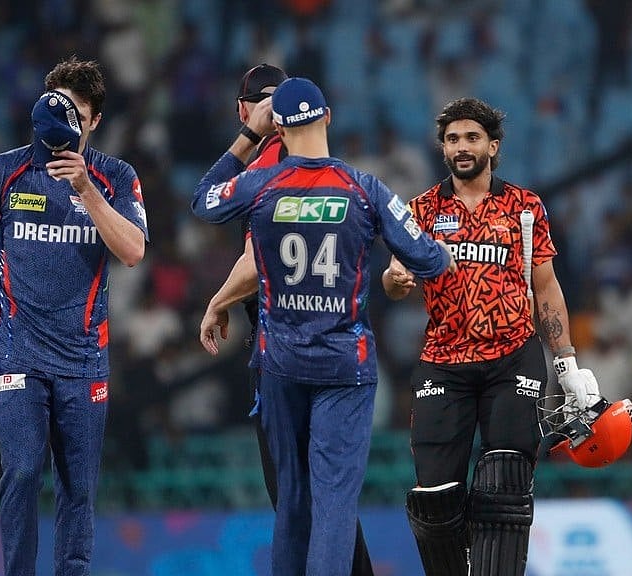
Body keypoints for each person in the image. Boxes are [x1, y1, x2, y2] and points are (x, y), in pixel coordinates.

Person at [193, 77, 456, 576]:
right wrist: (426, 257)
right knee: (333, 501)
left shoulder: (259, 184)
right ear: (328, 117)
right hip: (344, 365)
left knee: (292, 499)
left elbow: (203, 200)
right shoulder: (364, 188)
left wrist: (248, 136)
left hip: (279, 364)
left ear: (281, 127)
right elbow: (429, 258)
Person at [381, 97, 599, 576]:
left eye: (472, 137)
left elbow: (546, 288)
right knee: (434, 497)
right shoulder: (421, 209)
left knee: (505, 482)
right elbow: (396, 273)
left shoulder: (524, 206)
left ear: (492, 146)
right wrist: (395, 280)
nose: (462, 147)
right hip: (443, 360)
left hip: (512, 359)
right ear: (442, 149)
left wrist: (567, 363)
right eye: (453, 139)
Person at [0, 56, 148, 576]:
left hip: (84, 358)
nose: (63, 122)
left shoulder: (116, 177)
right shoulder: (1, 171)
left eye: (75, 114)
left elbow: (132, 251)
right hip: (16, 349)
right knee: (20, 470)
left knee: (79, 487)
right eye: (54, 105)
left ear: (94, 122)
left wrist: (85, 188)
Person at [198, 63, 378, 575]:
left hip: (289, 349)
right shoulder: (298, 160)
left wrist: (218, 300)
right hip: (326, 339)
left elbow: (257, 256)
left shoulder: (274, 160)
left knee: (299, 494)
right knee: (326, 493)